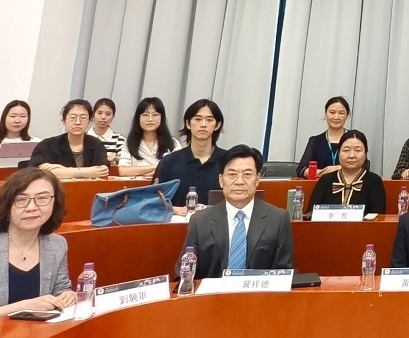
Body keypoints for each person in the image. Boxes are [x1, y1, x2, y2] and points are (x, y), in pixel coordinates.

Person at [0, 169, 76, 335]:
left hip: (32, 337)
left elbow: (61, 289)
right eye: (21, 200)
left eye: (42, 198)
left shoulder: (57, 245)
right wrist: (27, 306)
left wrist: (67, 296)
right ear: (7, 206)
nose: (32, 207)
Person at [177, 145, 294, 279]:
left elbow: (283, 273)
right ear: (221, 180)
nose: (239, 181)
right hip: (213, 292)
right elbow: (184, 272)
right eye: (232, 174)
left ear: (257, 179)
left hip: (259, 291)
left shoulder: (278, 219)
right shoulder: (200, 221)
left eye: (247, 174)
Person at [154, 99, 228, 213]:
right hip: (177, 221)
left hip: (217, 221)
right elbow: (154, 201)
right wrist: (178, 210)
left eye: (209, 120)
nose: (203, 124)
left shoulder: (228, 161)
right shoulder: (169, 162)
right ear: (188, 124)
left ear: (217, 125)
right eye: (198, 119)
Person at [308, 130, 387, 215]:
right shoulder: (325, 180)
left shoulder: (374, 181)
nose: (351, 155)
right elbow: (311, 214)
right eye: (346, 150)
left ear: (365, 154)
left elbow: (378, 217)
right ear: (339, 153)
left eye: (357, 150)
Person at [26, 100, 110, 178]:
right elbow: (38, 172)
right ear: (64, 121)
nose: (78, 122)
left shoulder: (97, 144)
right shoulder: (48, 145)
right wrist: (87, 172)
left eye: (83, 118)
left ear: (89, 122)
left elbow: (103, 170)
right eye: (73, 118)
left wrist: (60, 170)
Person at [117, 97, 181, 177]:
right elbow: (123, 171)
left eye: (155, 115)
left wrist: (140, 172)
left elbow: (179, 169)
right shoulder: (129, 142)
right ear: (138, 118)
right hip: (137, 184)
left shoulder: (173, 143)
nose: (150, 119)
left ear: (162, 118)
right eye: (145, 115)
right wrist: (157, 166)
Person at [297, 96, 353, 178]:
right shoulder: (315, 141)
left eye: (341, 113)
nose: (336, 117)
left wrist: (337, 169)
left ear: (347, 115)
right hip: (321, 184)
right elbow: (301, 169)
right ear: (326, 114)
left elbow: (363, 167)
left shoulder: (355, 139)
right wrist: (321, 173)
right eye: (332, 112)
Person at [88, 98, 124, 165]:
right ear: (93, 114)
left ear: (113, 117)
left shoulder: (119, 139)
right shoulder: (83, 137)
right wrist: (106, 159)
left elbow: (123, 162)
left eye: (108, 114)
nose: (103, 117)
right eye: (100, 113)